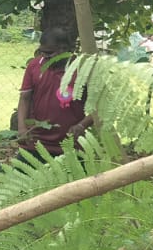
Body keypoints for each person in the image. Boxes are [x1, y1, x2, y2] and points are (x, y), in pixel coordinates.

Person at [15, 27, 94, 156]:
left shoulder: (82, 69)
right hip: (35, 142)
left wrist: (82, 126)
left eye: (50, 53)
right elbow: (25, 98)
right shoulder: (34, 65)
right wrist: (22, 128)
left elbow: (99, 106)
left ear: (65, 49)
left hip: (71, 144)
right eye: (42, 52)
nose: (45, 56)